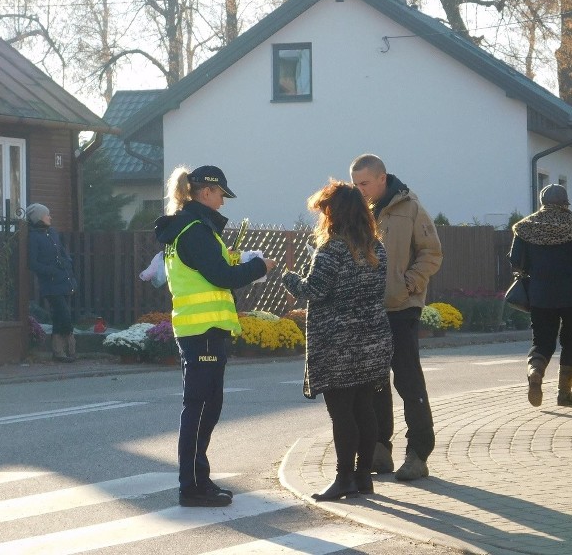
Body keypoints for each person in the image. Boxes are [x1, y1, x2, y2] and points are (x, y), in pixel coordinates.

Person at [155, 165, 277, 508]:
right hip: (203, 331)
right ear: (205, 192)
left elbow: (211, 268)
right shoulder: (195, 230)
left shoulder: (189, 228)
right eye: (221, 194)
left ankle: (197, 480)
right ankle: (192, 486)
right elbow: (221, 275)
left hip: (199, 330)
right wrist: (258, 268)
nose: (223, 202)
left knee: (205, 406)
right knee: (201, 407)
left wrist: (241, 260)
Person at [282, 181, 393, 501]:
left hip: (338, 344)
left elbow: (314, 291)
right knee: (364, 408)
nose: (323, 216)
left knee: (342, 412)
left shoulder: (333, 248)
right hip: (372, 340)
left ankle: (343, 478)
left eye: (325, 210)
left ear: (335, 213)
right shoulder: (377, 248)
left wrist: (289, 277)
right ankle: (362, 477)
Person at [349, 154, 443, 481]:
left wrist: (407, 285)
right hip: (369, 309)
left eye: (364, 183)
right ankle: (379, 449)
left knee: (407, 379)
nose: (358, 189)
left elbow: (432, 253)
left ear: (382, 178)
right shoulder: (357, 211)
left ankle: (418, 453)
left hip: (402, 308)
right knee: (374, 381)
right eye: (355, 184)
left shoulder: (411, 208)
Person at [510, 184, 572, 407]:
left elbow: (515, 261)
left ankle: (535, 371)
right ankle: (564, 394)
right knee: (571, 343)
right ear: (566, 203)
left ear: (542, 201)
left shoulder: (525, 227)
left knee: (542, 342)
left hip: (541, 294)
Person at [27, 203, 78, 363]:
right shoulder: (33, 237)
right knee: (64, 315)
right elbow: (33, 263)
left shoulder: (53, 232)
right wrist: (51, 270)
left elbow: (62, 251)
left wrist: (67, 262)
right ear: (39, 218)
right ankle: (68, 348)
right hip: (50, 283)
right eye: (46, 214)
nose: (50, 217)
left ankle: (60, 352)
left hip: (64, 280)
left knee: (59, 316)